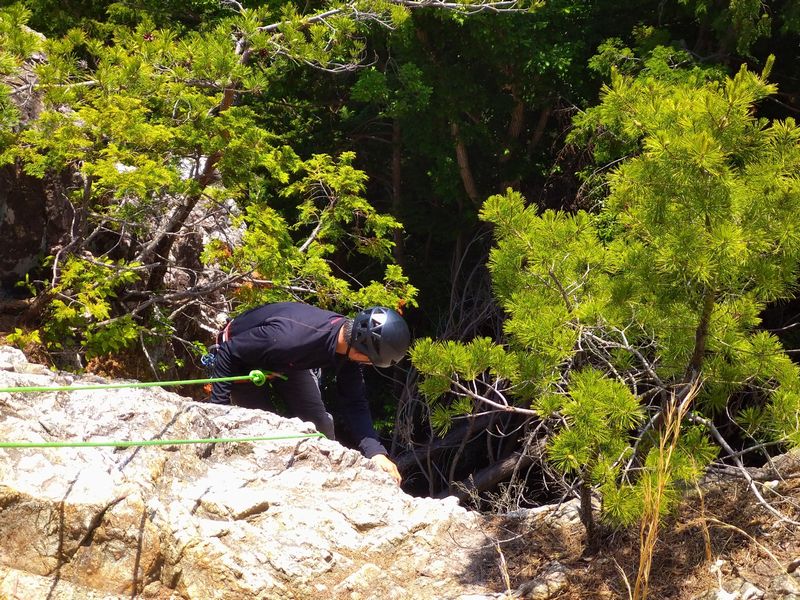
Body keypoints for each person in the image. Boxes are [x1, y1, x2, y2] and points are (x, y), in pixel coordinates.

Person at [208, 302, 410, 485]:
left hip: (290, 360)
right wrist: (218, 413)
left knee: (320, 424)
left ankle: (327, 482)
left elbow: (354, 402)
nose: (368, 365)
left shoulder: (349, 344)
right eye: (370, 362)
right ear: (360, 353)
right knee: (263, 430)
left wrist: (375, 452)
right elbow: (228, 352)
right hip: (241, 359)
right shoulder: (292, 338)